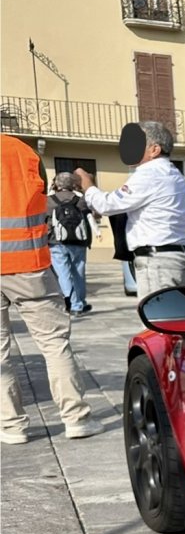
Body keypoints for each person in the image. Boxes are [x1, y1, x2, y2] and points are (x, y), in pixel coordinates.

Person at [1, 135, 100, 444]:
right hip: (28, 262)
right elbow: (40, 198)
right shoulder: (22, 151)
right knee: (54, 344)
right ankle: (76, 420)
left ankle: (12, 426)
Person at [76, 121, 185, 301]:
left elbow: (107, 205)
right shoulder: (174, 174)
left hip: (157, 261)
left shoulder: (149, 174)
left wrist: (87, 185)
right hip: (173, 256)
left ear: (154, 149)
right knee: (172, 322)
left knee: (157, 321)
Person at [46, 172, 95, 315]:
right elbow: (89, 218)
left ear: (56, 184)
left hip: (56, 242)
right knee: (79, 272)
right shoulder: (81, 200)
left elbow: (43, 222)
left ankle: (72, 304)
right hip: (79, 242)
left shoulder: (48, 201)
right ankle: (80, 302)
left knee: (63, 273)